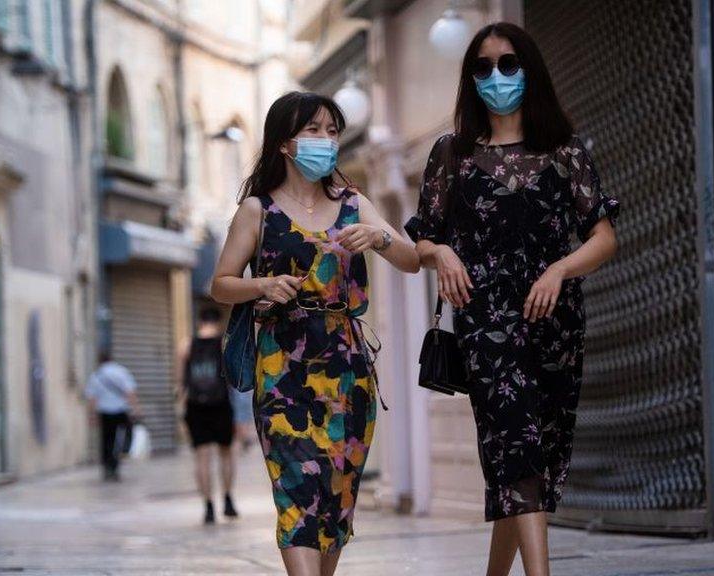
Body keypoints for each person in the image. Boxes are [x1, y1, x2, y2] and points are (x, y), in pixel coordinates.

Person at [405, 22, 620, 576]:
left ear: (529, 70)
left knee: (530, 456)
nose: (495, 77)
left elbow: (604, 238)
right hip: (486, 322)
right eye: (482, 67)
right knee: (517, 443)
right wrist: (442, 255)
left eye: (507, 64)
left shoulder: (564, 150)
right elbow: (423, 235)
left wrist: (560, 270)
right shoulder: (451, 154)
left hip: (556, 320)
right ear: (470, 79)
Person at [210, 91, 419, 576]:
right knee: (295, 496)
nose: (326, 140)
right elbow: (221, 284)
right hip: (282, 371)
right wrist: (261, 283)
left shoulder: (354, 204)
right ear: (284, 143)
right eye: (314, 130)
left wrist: (380, 238)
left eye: (332, 131)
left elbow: (411, 260)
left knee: (337, 498)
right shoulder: (256, 211)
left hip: (348, 373)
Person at [176, 306, 239, 524]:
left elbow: (180, 382)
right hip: (221, 403)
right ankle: (228, 499)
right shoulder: (224, 343)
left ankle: (208, 506)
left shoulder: (186, 345)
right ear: (219, 322)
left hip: (196, 406)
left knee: (202, 458)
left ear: (200, 321)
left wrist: (181, 410)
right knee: (226, 454)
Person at [85, 351, 140, 482]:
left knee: (106, 440)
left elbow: (92, 399)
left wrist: (91, 415)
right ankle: (118, 460)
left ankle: (108, 467)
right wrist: (136, 409)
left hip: (105, 413)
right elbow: (130, 392)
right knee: (122, 437)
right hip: (121, 411)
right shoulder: (122, 372)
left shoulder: (96, 375)